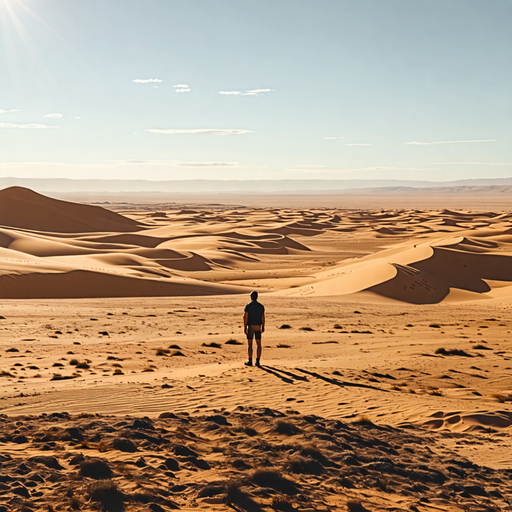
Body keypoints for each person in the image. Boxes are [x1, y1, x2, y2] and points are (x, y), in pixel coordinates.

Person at [243, 291, 265, 367]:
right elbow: (263, 317)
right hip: (258, 326)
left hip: (251, 326)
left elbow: (245, 316)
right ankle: (257, 361)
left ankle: (250, 360)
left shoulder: (248, 306)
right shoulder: (261, 306)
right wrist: (263, 326)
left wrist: (245, 327)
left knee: (250, 344)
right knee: (258, 344)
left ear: (251, 297)